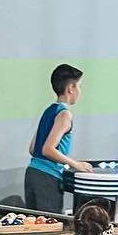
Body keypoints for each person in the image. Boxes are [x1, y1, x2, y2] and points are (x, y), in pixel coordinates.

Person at [24, 63, 93, 213]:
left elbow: (32, 149)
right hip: (47, 177)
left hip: (32, 173)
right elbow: (48, 149)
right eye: (79, 86)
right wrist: (76, 164)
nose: (80, 91)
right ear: (71, 88)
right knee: (50, 227)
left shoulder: (49, 111)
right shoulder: (64, 114)